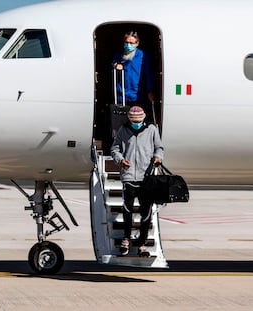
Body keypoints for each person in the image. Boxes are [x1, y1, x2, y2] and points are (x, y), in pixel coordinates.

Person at [111, 106, 164, 257]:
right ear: (129, 119)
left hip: (145, 177)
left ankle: (142, 244)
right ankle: (126, 239)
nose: (136, 123)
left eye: (139, 121)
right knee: (127, 210)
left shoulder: (151, 129)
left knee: (145, 212)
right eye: (133, 121)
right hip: (128, 176)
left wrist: (158, 157)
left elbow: (159, 147)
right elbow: (114, 148)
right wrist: (120, 160)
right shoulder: (123, 130)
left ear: (143, 119)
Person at [112, 31, 155, 112]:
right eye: (126, 42)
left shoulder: (143, 55)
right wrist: (115, 66)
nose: (128, 45)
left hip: (138, 95)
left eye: (131, 43)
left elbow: (148, 74)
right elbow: (112, 66)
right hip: (122, 96)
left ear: (137, 43)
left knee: (137, 118)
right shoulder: (119, 55)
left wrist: (150, 90)